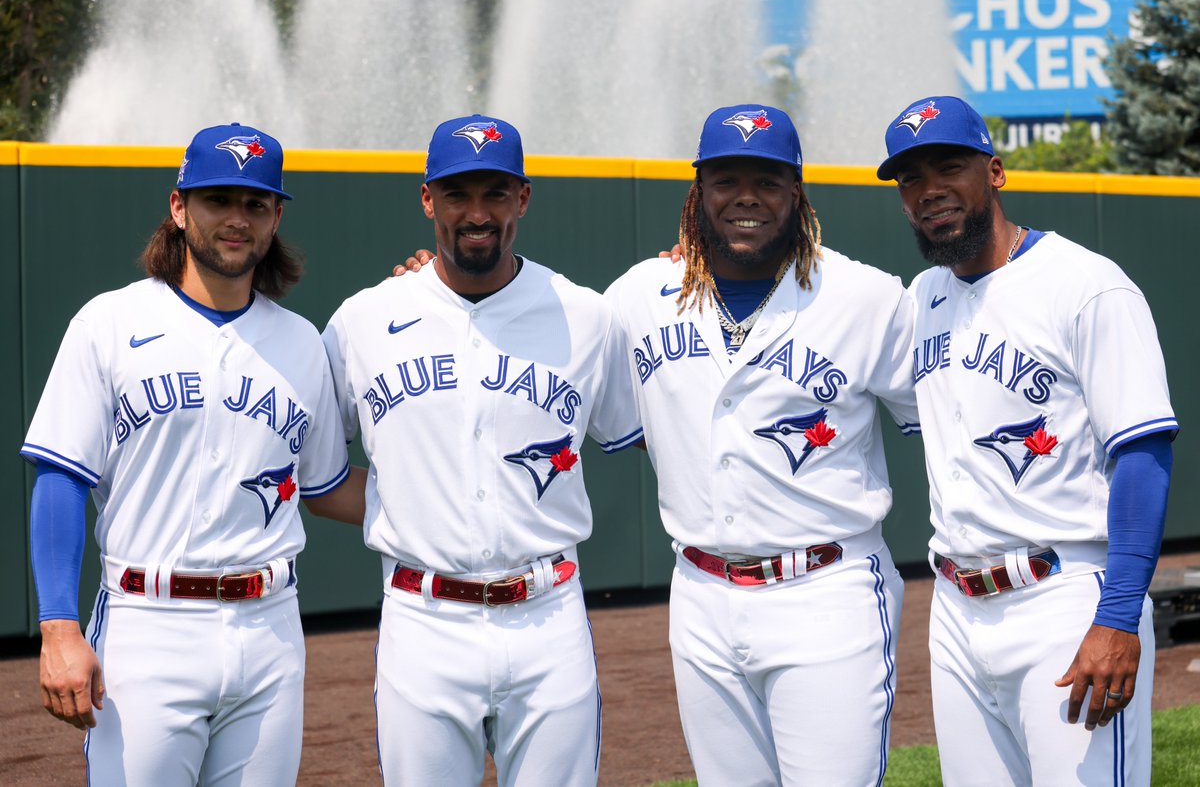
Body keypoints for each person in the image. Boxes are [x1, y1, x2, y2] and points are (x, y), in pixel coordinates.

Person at [22, 122, 365, 786]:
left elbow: (325, 485)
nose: (236, 220)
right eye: (218, 201)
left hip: (269, 630)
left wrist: (451, 502)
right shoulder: (109, 324)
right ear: (179, 207)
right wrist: (59, 626)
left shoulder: (300, 344)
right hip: (149, 625)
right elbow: (60, 476)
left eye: (255, 204)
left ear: (275, 218)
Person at [603, 105, 920, 785]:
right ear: (698, 193)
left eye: (768, 180)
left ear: (797, 192)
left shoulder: (866, 296)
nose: (746, 196)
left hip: (826, 591)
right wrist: (428, 282)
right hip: (700, 594)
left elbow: (952, 417)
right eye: (725, 179)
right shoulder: (638, 296)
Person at [321, 114, 641, 786]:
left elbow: (629, 427)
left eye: (495, 193)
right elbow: (317, 480)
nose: (476, 213)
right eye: (458, 193)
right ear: (427, 198)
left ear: (522, 199)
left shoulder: (585, 316)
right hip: (422, 618)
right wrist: (402, 503)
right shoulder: (363, 320)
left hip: (548, 614)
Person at [877, 95, 1177, 785]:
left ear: (996, 172)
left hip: (1066, 597)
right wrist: (705, 261)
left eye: (948, 166)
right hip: (955, 609)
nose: (929, 191)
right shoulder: (920, 300)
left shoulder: (1086, 285)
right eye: (910, 179)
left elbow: (1142, 453)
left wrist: (1120, 615)